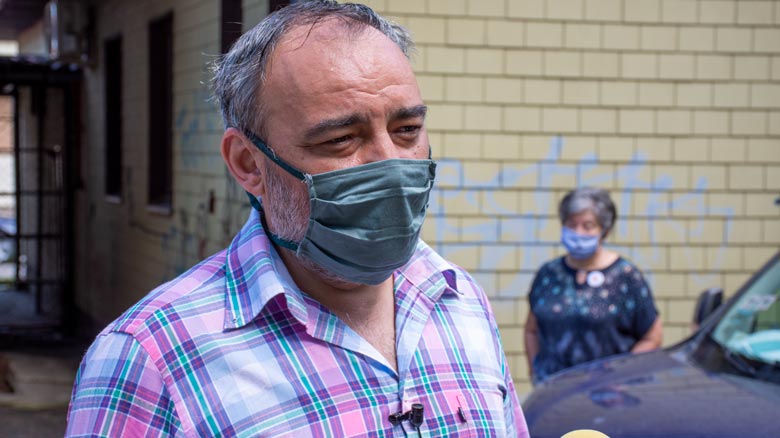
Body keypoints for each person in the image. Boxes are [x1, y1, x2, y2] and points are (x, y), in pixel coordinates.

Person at [66, 2, 528, 436]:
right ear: (248, 163)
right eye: (341, 139)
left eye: (407, 130)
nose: (390, 163)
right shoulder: (148, 362)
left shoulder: (461, 303)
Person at [524, 187, 662, 384]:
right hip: (553, 391)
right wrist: (535, 372)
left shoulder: (625, 276)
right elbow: (532, 329)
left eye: (588, 226)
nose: (578, 232)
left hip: (610, 393)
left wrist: (622, 376)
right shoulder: (548, 274)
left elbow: (652, 337)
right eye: (572, 225)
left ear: (604, 231)